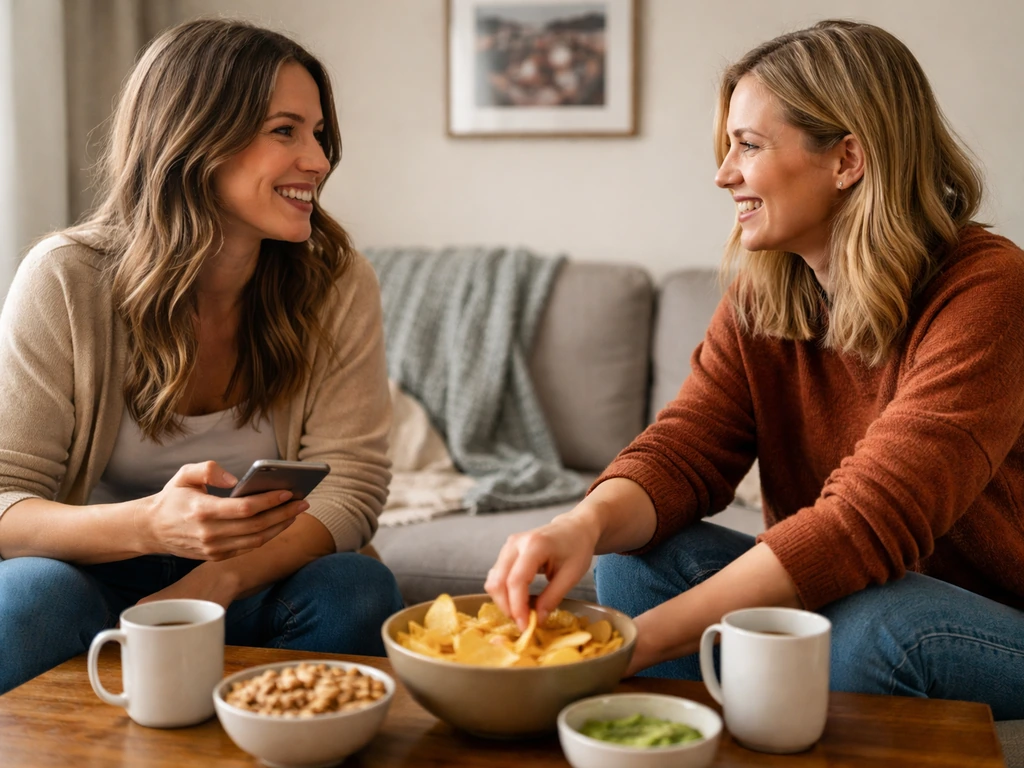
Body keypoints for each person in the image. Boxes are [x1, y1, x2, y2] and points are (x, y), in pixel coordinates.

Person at [485, 19, 1024, 720]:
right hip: (849, 590)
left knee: (871, 633)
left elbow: (867, 522)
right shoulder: (764, 290)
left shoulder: (991, 289)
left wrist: (621, 646)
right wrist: (581, 526)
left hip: (991, 618)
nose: (723, 173)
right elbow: (684, 453)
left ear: (846, 159)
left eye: (748, 146)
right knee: (631, 557)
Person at [0, 18, 404, 694]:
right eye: (286, 131)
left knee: (355, 588)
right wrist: (152, 524)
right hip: (91, 573)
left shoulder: (336, 280)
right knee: (28, 600)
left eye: (319, 134)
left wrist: (211, 582)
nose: (319, 160)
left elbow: (354, 484)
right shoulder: (66, 277)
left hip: (253, 574)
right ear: (197, 137)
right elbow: (6, 502)